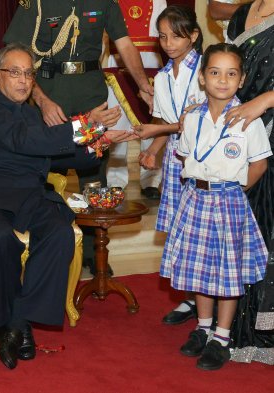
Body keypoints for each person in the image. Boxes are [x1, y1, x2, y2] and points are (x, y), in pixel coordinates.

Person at [0, 42, 133, 370]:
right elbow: (25, 141)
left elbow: (58, 151)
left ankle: (15, 323)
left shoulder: (32, 113)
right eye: (14, 73)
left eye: (28, 74)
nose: (22, 80)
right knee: (2, 240)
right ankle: (20, 326)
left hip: (29, 195)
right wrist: (87, 125)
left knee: (60, 232)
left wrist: (100, 141)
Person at [3, 0, 153, 272]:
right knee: (47, 176)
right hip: (51, 100)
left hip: (90, 99)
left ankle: (94, 254)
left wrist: (143, 85)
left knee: (94, 176)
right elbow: (15, 52)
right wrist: (41, 100)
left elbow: (125, 43)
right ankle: (46, 247)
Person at [161, 42, 271, 371]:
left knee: (227, 272)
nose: (222, 80)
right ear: (203, 79)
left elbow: (259, 165)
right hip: (195, 199)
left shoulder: (247, 118)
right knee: (199, 271)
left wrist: (234, 192)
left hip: (228, 201)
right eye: (214, 72)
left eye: (231, 74)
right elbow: (186, 155)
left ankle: (222, 337)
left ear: (241, 80)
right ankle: (203, 328)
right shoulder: (192, 119)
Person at [134, 5, 206, 325]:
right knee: (182, 231)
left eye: (176, 36)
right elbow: (165, 120)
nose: (169, 43)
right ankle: (191, 299)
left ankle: (211, 300)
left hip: (204, 159)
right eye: (163, 37)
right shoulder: (162, 77)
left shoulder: (206, 71)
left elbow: (194, 122)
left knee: (202, 231)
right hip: (177, 160)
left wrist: (156, 131)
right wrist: (153, 151)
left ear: (193, 35)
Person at [225, 0, 274, 365]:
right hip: (242, 135)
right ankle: (233, 326)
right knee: (244, 227)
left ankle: (264, 330)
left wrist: (265, 100)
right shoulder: (242, 13)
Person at [105, 0, 166, 199]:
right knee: (116, 121)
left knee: (152, 119)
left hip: (152, 63)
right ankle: (115, 179)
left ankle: (150, 179)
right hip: (118, 63)